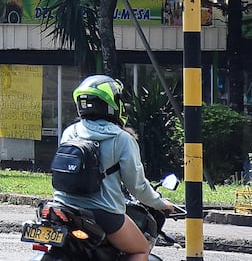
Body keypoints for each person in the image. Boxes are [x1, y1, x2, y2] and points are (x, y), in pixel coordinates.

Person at [54, 75, 177, 261]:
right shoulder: (122, 139)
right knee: (140, 250)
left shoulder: (70, 132)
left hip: (62, 205)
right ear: (112, 103)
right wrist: (161, 204)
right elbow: (137, 187)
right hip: (102, 212)